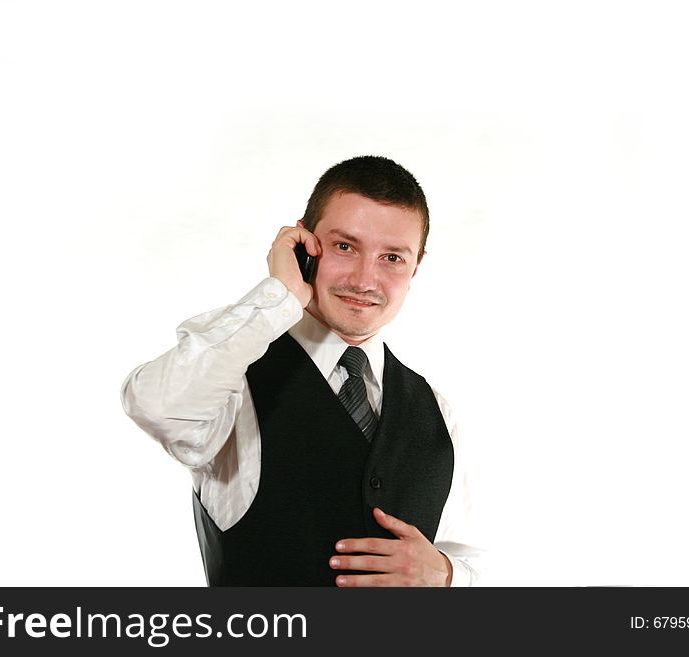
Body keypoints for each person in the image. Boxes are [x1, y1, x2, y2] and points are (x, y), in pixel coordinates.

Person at [121, 155, 483, 586]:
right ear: (304, 244)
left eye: (392, 257)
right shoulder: (235, 373)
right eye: (345, 247)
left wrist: (445, 575)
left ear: (415, 267)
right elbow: (157, 406)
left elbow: (470, 563)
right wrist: (279, 295)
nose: (365, 280)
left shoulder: (435, 409)